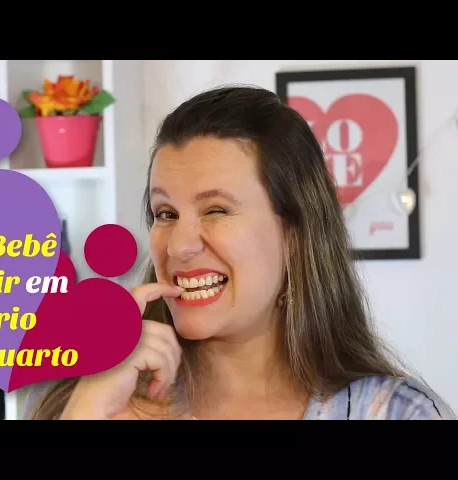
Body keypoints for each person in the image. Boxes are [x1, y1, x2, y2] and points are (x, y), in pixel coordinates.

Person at [26, 85, 455, 420]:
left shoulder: (400, 414)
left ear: (295, 233)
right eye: (165, 213)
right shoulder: (85, 400)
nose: (179, 246)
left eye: (216, 210)